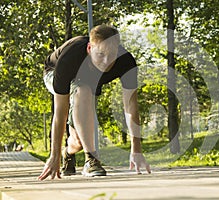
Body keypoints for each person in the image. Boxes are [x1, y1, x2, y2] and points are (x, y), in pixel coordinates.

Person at [38, 24, 151, 181]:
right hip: (53, 71)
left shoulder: (126, 62)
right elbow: (60, 113)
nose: (106, 61)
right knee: (82, 90)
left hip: (88, 81)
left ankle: (68, 153)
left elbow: (131, 107)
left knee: (78, 140)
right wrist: (53, 155)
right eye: (100, 54)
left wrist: (136, 150)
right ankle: (91, 160)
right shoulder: (70, 58)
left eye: (111, 55)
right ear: (90, 48)